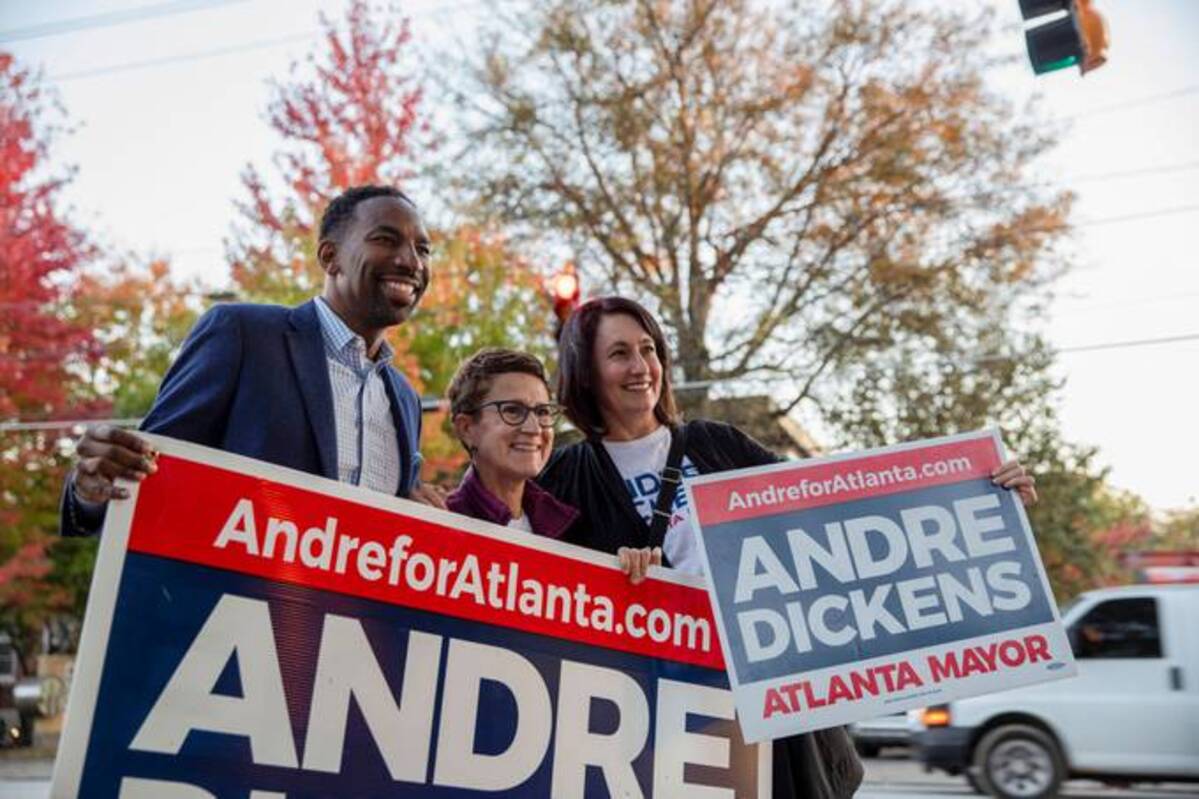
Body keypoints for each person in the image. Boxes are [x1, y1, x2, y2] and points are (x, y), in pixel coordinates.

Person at [538, 296, 1040, 798]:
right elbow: (521, 567)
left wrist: (980, 492)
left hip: (769, 717)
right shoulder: (564, 475)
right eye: (619, 353)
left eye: (648, 349)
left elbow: (836, 514)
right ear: (586, 372)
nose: (640, 366)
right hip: (656, 726)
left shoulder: (719, 446)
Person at [61, 185, 445, 537]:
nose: (411, 262)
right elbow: (146, 474)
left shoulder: (405, 400)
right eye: (385, 239)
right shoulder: (242, 334)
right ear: (330, 257)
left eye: (423, 249)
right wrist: (92, 490)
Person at [444, 347, 661, 580]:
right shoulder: (437, 526)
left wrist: (628, 577)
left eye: (542, 412)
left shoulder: (572, 526)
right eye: (512, 410)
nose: (534, 428)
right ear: (467, 428)